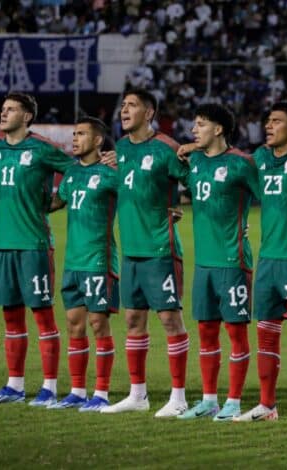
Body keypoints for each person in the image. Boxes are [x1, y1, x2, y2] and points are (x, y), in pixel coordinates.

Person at [100, 89, 192, 418]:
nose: (124, 110)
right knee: (133, 320)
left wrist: (180, 205)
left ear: (149, 113)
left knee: (170, 319)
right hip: (131, 252)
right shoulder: (121, 149)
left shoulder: (167, 148)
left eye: (132, 105)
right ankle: (137, 394)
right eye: (122, 105)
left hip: (160, 249)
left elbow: (197, 181)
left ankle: (179, 397)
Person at [0, 93, 76, 406]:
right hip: (3, 246)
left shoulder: (42, 148)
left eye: (11, 109)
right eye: (3, 108)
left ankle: (49, 387)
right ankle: (15, 386)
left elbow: (77, 172)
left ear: (27, 116)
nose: (3, 113)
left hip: (34, 244)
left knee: (43, 315)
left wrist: (57, 202)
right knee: (11, 317)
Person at [233, 101, 287, 425]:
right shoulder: (260, 160)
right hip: (268, 261)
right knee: (266, 335)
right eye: (267, 121)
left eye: (277, 121)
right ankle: (267, 405)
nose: (268, 126)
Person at [176, 103, 260, 421]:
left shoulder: (241, 163)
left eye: (200, 124)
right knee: (207, 332)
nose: (194, 130)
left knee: (236, 334)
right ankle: (209, 399)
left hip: (233, 261)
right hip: (204, 265)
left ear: (219, 129)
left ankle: (234, 401)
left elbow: (271, 195)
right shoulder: (193, 161)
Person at [46, 117, 119, 412]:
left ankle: (101, 392)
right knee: (74, 325)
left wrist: (169, 209)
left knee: (98, 324)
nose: (75, 139)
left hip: (98, 261)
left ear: (98, 140)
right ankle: (77, 391)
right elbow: (55, 203)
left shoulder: (112, 173)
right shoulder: (72, 173)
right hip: (73, 262)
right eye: (73, 133)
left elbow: (138, 197)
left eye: (81, 134)